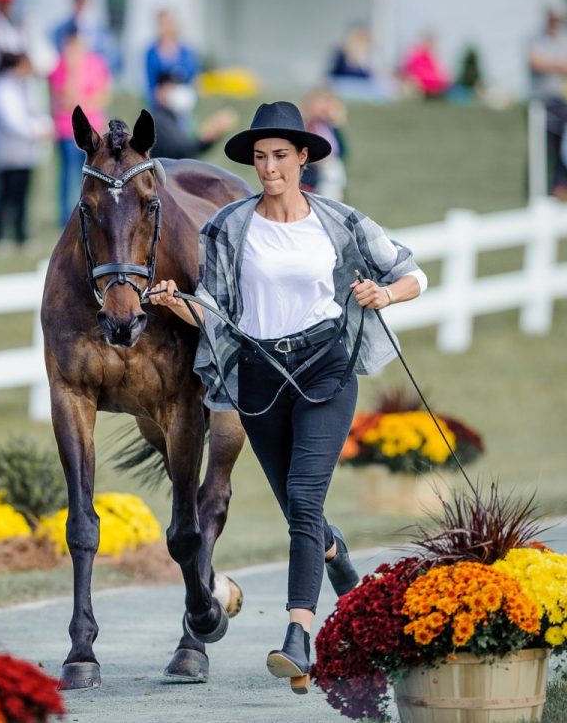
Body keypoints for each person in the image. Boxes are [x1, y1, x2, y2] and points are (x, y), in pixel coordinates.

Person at [147, 101, 428, 691]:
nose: (269, 168)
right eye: (259, 157)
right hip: (260, 376)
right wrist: (179, 303)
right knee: (299, 510)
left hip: (327, 367)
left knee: (302, 497)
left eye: (280, 156)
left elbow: (411, 271)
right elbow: (218, 314)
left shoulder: (339, 221)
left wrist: (387, 294)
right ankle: (340, 561)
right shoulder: (228, 227)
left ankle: (298, 637)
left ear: (303, 158)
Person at [0, 52, 52, 252]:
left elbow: (36, 111)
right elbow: (12, 120)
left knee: (23, 196)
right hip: (8, 151)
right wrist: (35, 131)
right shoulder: (2, 88)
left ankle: (20, 235)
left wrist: (43, 127)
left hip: (26, 152)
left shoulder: (27, 86)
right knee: (6, 195)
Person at [49, 28, 111, 225]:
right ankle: (67, 217)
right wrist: (73, 71)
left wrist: (82, 101)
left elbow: (102, 97)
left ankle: (91, 213)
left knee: (93, 175)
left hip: (93, 130)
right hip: (67, 130)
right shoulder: (60, 66)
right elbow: (65, 100)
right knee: (68, 175)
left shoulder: (96, 64)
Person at [528, 0, 567, 194]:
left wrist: (551, 64)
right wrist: (562, 65)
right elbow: (535, 62)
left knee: (565, 146)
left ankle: (559, 186)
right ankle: (536, 187)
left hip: (564, 100)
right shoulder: (536, 37)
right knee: (541, 146)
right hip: (540, 100)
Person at [147, 68, 234, 161]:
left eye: (177, 86)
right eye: (170, 87)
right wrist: (208, 136)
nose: (176, 92)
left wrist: (211, 135)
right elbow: (182, 151)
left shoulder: (173, 119)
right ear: (158, 91)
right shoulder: (157, 120)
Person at [143, 9, 199, 106]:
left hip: (183, 104)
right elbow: (150, 84)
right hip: (160, 106)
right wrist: (160, 94)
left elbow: (193, 78)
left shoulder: (186, 52)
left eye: (169, 23)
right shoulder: (151, 53)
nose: (167, 27)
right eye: (163, 24)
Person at [300, 87, 347, 201]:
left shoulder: (329, 128)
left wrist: (336, 125)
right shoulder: (308, 125)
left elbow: (342, 151)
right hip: (310, 171)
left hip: (329, 170)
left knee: (333, 173)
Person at [52, 0, 115, 66]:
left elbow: (109, 59)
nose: (81, 5)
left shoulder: (101, 33)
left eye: (83, 1)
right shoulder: (60, 30)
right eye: (77, 1)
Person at [400, 31, 451, 99]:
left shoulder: (431, 57)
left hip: (434, 85)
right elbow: (410, 70)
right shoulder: (416, 55)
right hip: (421, 85)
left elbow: (439, 73)